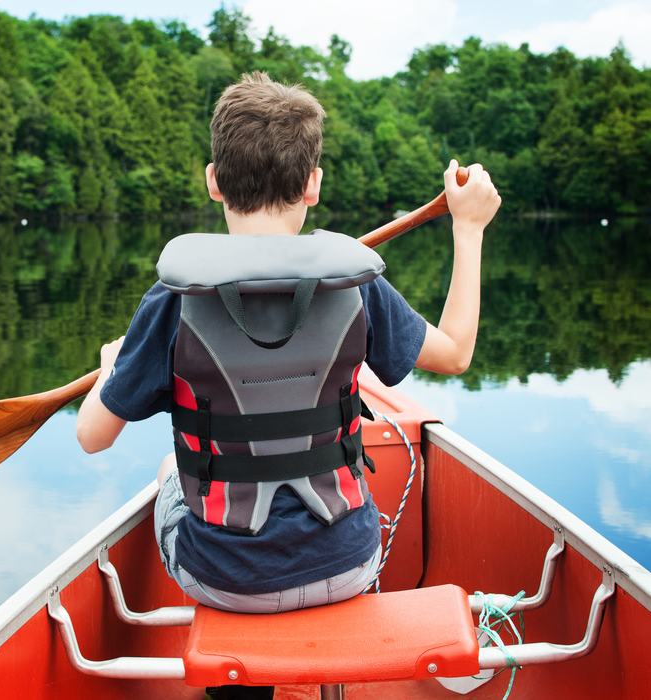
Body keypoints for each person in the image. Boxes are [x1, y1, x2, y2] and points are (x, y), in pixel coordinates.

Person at [76, 72, 501, 615]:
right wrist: (468, 230)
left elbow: (92, 437)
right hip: (351, 564)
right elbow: (456, 353)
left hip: (225, 581)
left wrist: (112, 368)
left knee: (169, 472)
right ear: (313, 185)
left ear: (214, 181)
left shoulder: (171, 300)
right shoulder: (357, 285)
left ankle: (232, 679)